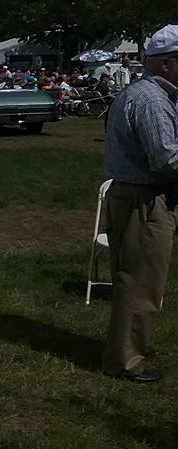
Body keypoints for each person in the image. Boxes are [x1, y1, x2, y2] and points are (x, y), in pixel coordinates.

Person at [101, 24, 178, 383]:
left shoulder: (146, 94)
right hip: (143, 201)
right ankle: (127, 361)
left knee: (134, 278)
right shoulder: (152, 100)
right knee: (142, 282)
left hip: (133, 197)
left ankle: (128, 349)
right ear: (166, 64)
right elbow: (165, 159)